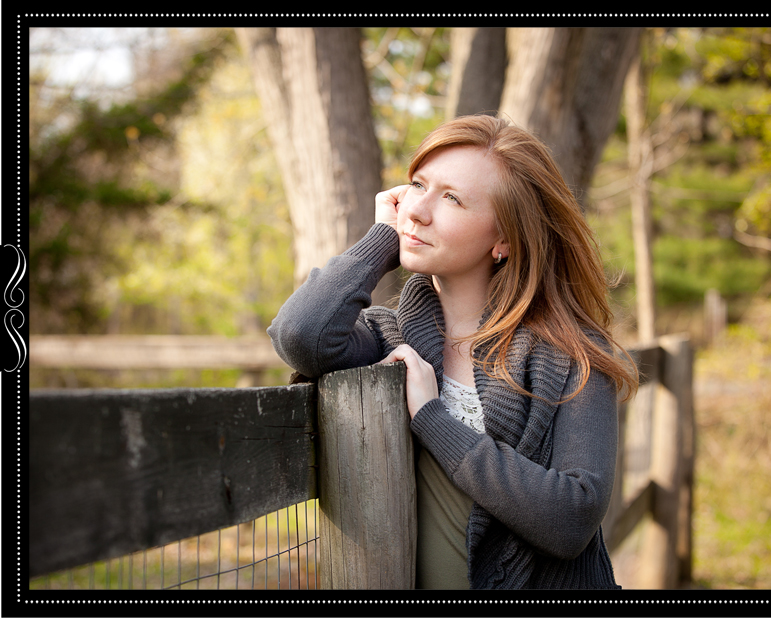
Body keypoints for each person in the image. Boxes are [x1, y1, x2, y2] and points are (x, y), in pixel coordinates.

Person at [269, 114, 638, 590]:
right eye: (417, 185)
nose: (417, 210)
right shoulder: (388, 337)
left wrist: (432, 419)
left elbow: (572, 516)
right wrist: (383, 239)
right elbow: (301, 334)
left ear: (503, 239)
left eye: (453, 198)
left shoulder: (572, 354)